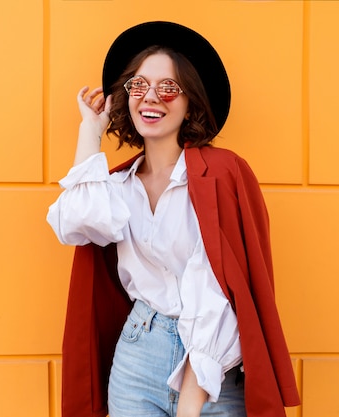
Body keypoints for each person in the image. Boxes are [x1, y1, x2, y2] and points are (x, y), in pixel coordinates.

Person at [47, 21, 300, 417]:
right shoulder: (118, 186)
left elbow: (219, 294)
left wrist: (190, 401)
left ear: (190, 103)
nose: (152, 98)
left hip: (213, 369)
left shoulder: (222, 174)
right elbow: (77, 224)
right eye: (138, 85)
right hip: (137, 357)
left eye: (168, 87)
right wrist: (90, 131)